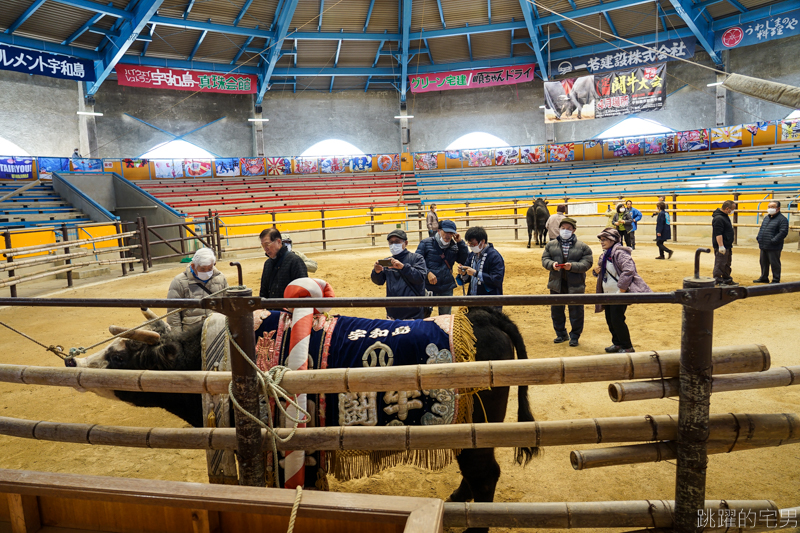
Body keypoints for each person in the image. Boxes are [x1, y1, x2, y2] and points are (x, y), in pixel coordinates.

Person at [592, 228, 652, 353]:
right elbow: (600, 272)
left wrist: (622, 289)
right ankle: (617, 343)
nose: (602, 242)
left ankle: (627, 346)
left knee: (617, 319)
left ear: (613, 240)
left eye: (604, 240)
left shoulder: (620, 253)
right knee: (610, 318)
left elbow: (629, 270)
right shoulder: (604, 255)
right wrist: (595, 271)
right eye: (601, 240)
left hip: (619, 293)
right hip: (607, 293)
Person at [541, 217, 593, 347]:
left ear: (574, 230)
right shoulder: (550, 245)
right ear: (559, 229)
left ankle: (574, 336)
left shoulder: (583, 247)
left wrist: (573, 266)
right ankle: (561, 334)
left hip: (575, 284)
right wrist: (552, 265)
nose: (565, 231)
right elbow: (545, 259)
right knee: (556, 310)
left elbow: (587, 263)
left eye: (568, 229)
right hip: (556, 283)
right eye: (563, 228)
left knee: (576, 311)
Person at [166, 247, 228, 331]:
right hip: (191, 333)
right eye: (202, 269)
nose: (206, 272)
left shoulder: (221, 278)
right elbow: (173, 315)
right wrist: (178, 338)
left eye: (210, 268)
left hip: (216, 331)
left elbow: (228, 304)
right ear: (193, 266)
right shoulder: (179, 282)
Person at [415, 219, 468, 316]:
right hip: (427, 286)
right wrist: (427, 273)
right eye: (446, 231)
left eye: (451, 233)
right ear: (439, 231)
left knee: (446, 317)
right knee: (423, 314)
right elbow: (416, 262)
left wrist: (460, 243)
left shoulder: (455, 247)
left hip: (446, 286)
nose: (448, 235)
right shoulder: (425, 243)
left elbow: (464, 260)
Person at [371, 229, 427, 320]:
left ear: (406, 243)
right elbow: (379, 281)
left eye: (397, 242)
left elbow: (420, 278)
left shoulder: (416, 258)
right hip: (392, 312)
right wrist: (377, 272)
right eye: (391, 242)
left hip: (413, 314)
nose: (393, 245)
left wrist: (403, 267)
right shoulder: (387, 261)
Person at [458, 226, 505, 311]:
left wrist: (476, 273)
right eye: (469, 244)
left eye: (473, 244)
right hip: (472, 301)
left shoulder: (495, 256)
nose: (471, 246)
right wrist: (463, 273)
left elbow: (497, 279)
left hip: (490, 303)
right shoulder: (472, 255)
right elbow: (467, 278)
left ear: (482, 242)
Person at [259, 228, 308, 300]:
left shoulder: (295, 261)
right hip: (271, 310)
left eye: (267, 244)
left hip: (290, 309)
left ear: (279, 242)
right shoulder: (267, 264)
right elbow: (263, 292)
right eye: (263, 246)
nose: (265, 249)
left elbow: (303, 290)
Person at [753, 201, 789, 284]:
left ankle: (776, 279)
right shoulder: (766, 218)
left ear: (778, 208)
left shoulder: (782, 219)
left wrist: (774, 241)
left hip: (774, 246)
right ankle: (764, 277)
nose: (770, 208)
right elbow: (762, 228)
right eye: (769, 207)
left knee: (774, 263)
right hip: (763, 244)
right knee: (763, 262)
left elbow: (783, 232)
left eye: (772, 207)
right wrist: (759, 238)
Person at [712, 200, 737, 286]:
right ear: (727, 208)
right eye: (732, 209)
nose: (733, 211)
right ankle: (717, 280)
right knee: (720, 263)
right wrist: (721, 246)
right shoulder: (718, 218)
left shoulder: (724, 216)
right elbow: (718, 233)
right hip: (722, 245)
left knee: (727, 263)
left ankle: (727, 279)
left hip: (727, 245)